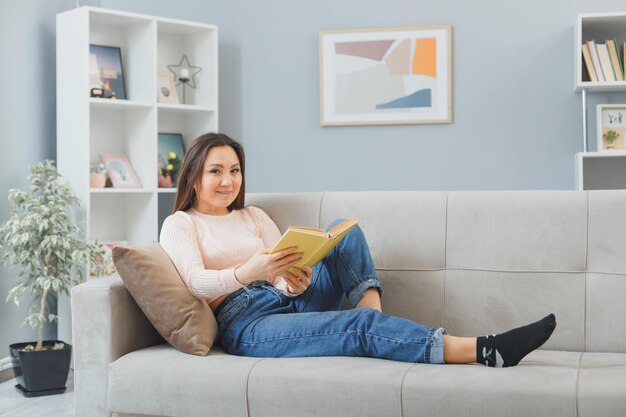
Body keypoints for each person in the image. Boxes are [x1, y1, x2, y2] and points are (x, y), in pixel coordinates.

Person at [159, 133, 557, 367]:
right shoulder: (181, 223)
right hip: (247, 323)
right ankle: (486, 350)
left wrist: (294, 280)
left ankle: (373, 315)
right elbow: (195, 283)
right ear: (193, 175)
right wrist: (249, 272)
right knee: (356, 329)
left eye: (234, 170)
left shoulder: (253, 216)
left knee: (341, 230)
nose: (228, 181)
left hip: (284, 300)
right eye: (216, 171)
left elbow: (282, 275)